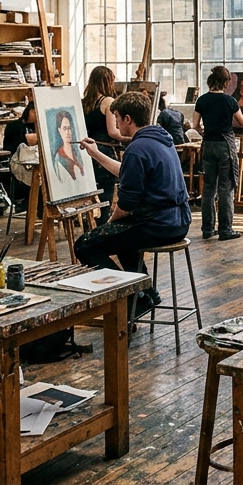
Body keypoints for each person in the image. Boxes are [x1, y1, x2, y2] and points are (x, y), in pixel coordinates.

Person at [75, 91, 191, 318]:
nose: (116, 123)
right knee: (123, 239)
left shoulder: (137, 149)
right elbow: (128, 173)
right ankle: (146, 292)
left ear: (128, 119)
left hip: (160, 224)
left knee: (85, 245)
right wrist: (95, 154)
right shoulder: (160, 139)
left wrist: (108, 224)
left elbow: (127, 203)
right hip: (177, 220)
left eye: (117, 117)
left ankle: (132, 297)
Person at [193, 66, 243, 240]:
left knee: (209, 188)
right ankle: (225, 230)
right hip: (225, 145)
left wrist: (205, 133)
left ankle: (207, 229)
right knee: (226, 187)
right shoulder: (229, 101)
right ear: (225, 82)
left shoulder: (202, 100)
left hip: (208, 145)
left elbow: (195, 125)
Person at [82, 66, 120, 223]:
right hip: (103, 151)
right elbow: (112, 132)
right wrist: (131, 136)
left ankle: (90, 227)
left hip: (87, 150)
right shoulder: (108, 101)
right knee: (105, 196)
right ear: (107, 81)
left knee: (91, 195)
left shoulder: (84, 102)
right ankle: (102, 229)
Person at [49, 110, 87, 183]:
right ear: (59, 131)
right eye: (65, 128)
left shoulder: (78, 152)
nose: (68, 132)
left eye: (69, 128)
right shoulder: (58, 158)